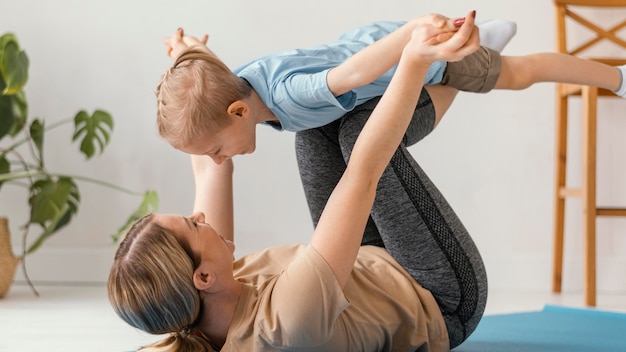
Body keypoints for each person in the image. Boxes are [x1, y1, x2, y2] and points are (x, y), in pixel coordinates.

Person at [109, 11, 485, 351]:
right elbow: (363, 172)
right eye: (193, 224)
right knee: (356, 136)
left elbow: (211, 166)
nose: (202, 217)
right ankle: (467, 71)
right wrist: (414, 60)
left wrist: (189, 78)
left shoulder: (202, 302)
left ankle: (459, 68)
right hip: (438, 296)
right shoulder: (287, 322)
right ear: (203, 275)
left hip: (366, 261)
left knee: (315, 123)